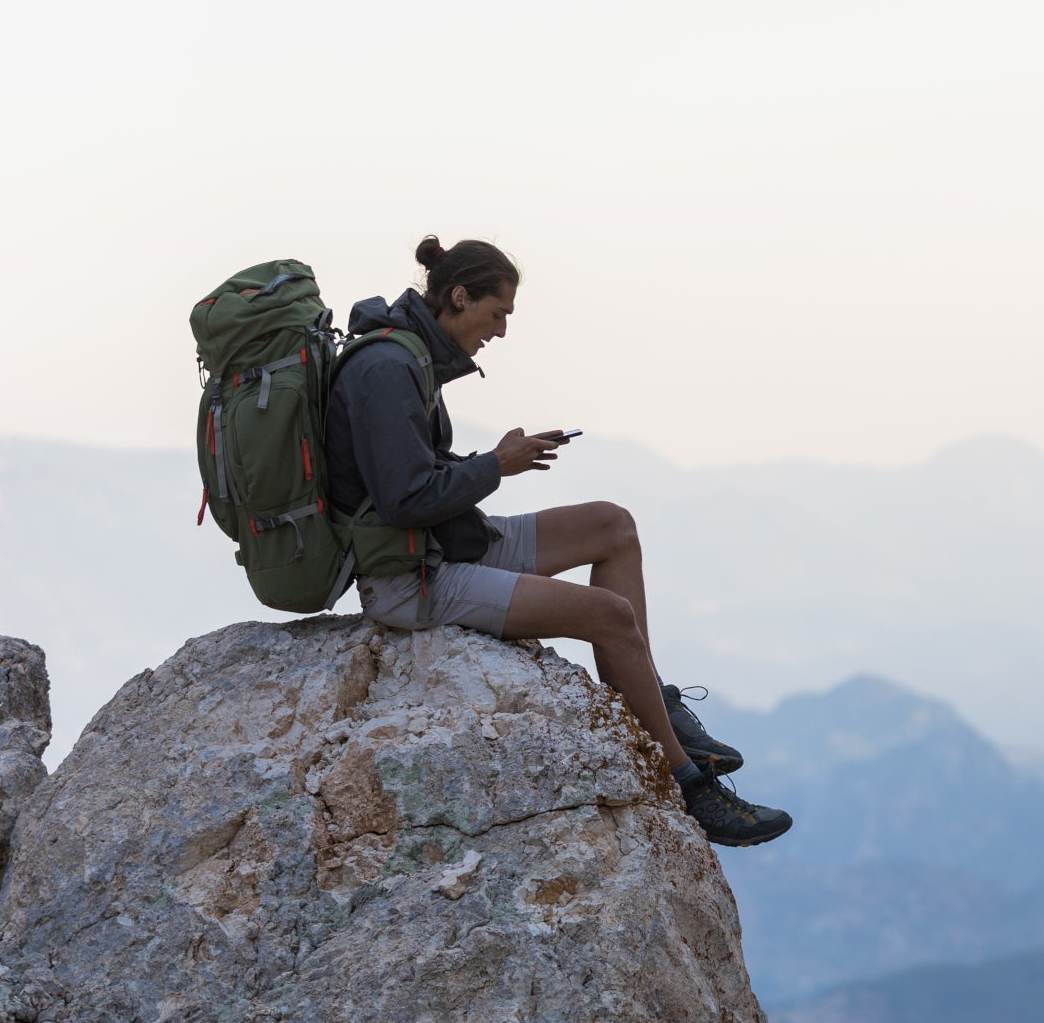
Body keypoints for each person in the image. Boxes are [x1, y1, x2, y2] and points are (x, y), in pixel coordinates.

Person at [324, 235, 792, 847]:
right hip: (411, 578)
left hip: (445, 542)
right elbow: (404, 498)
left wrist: (493, 462)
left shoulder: (407, 355)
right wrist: (497, 463)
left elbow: (408, 478)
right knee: (608, 615)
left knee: (612, 525)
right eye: (498, 313)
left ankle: (656, 699)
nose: (501, 331)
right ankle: (689, 783)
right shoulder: (388, 369)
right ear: (459, 296)